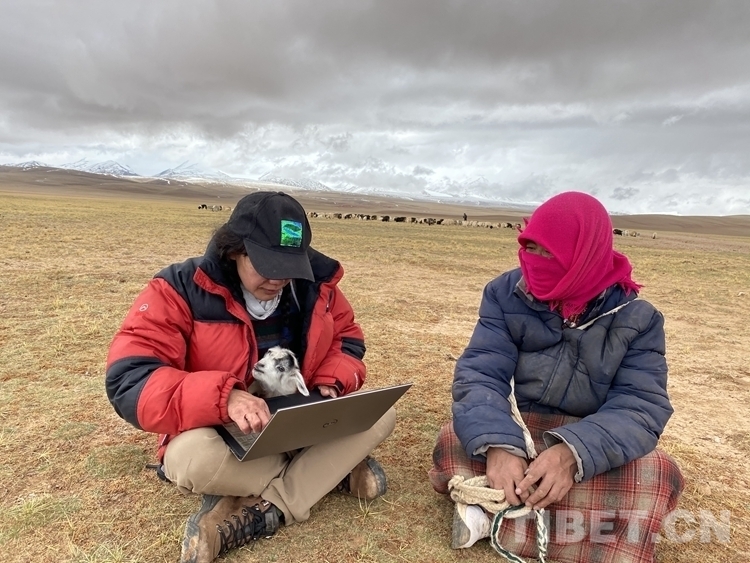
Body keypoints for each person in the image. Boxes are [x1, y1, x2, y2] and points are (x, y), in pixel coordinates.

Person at [105, 191, 396, 563]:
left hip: (298, 423)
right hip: (221, 431)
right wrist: (224, 397)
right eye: (266, 264)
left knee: (382, 414)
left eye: (288, 265)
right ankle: (329, 472)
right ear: (234, 250)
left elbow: (348, 340)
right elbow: (130, 379)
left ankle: (262, 506)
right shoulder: (177, 288)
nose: (278, 279)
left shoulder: (314, 286)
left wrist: (332, 379)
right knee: (189, 461)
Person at [429, 191, 684, 562]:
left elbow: (640, 406)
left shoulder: (639, 319)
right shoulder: (504, 294)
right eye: (530, 247)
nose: (535, 261)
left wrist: (571, 456)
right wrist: (500, 447)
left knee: (659, 473)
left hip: (587, 437)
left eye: (548, 252)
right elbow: (481, 373)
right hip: (518, 427)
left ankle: (491, 517)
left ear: (584, 254)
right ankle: (585, 530)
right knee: (454, 438)